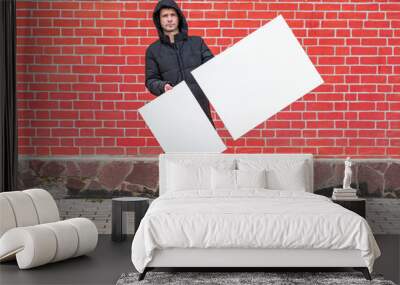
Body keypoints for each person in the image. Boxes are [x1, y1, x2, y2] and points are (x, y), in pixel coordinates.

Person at [145, 0, 214, 125]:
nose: (169, 19)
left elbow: (212, 67)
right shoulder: (153, 50)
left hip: (201, 107)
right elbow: (151, 80)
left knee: (206, 144)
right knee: (181, 144)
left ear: (179, 17)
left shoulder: (197, 43)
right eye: (165, 16)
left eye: (173, 15)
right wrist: (162, 86)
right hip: (174, 111)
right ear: (159, 20)